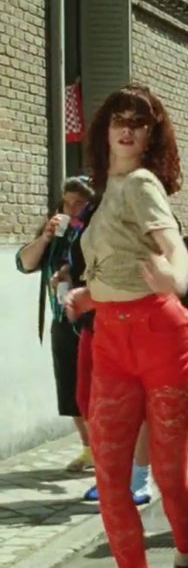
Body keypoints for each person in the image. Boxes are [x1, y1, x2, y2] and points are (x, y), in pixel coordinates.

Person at [65, 83, 188, 568]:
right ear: (105, 131)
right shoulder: (108, 193)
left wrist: (175, 276)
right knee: (110, 478)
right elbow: (119, 261)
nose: (127, 129)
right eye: (119, 120)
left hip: (163, 340)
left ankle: (186, 555)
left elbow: (176, 250)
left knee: (168, 476)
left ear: (151, 136)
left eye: (139, 123)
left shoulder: (143, 183)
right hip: (112, 341)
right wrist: (89, 293)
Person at [16, 177, 96, 472]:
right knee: (72, 389)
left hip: (94, 322)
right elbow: (24, 263)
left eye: (80, 203)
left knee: (96, 389)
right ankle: (88, 448)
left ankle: (108, 452)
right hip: (63, 321)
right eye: (67, 202)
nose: (72, 209)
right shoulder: (57, 234)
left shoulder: (96, 232)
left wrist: (69, 275)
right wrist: (46, 237)